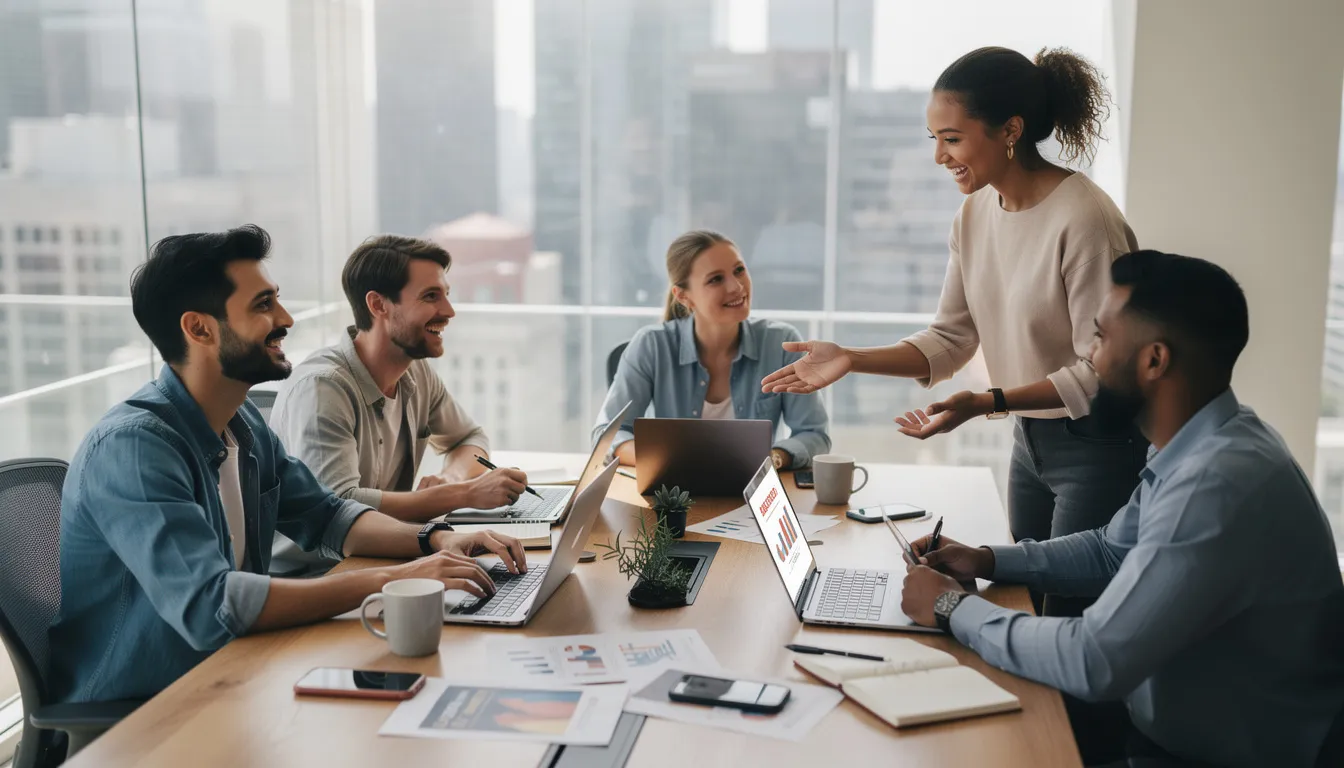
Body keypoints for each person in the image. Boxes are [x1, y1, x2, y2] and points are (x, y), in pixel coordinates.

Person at [900, 250, 1344, 767]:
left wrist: (952, 608)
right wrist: (987, 560)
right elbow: (1113, 550)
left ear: (1154, 360)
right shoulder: (1206, 441)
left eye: (1101, 338)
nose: (1090, 357)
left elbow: (1096, 659)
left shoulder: (1214, 484)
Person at [47, 225, 526, 705]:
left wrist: (438, 539)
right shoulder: (135, 449)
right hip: (147, 713)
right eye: (262, 306)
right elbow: (212, 606)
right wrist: (389, 580)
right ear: (199, 329)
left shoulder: (242, 423)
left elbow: (328, 515)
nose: (286, 317)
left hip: (240, 675)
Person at [761, 47, 1146, 617]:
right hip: (1030, 440)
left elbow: (1103, 370)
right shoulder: (975, 214)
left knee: (1071, 612)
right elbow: (951, 338)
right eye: (932, 139)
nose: (939, 156)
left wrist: (986, 400)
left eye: (953, 138)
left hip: (1097, 445)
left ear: (1010, 131)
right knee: (1029, 602)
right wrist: (850, 357)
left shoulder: (1085, 219)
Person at [268, 235, 527, 575]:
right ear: (378, 305)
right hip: (317, 576)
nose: (448, 312)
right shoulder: (322, 388)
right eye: (431, 296)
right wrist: (463, 494)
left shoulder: (415, 371)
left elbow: (469, 438)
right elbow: (340, 507)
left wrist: (450, 478)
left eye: (446, 295)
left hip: (386, 559)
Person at [594, 230, 830, 470]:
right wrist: (667, 461)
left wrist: (774, 458)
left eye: (739, 270)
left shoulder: (781, 343)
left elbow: (814, 434)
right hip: (675, 496)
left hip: (751, 493)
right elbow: (608, 434)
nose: (736, 286)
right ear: (684, 296)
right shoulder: (651, 345)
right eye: (716, 279)